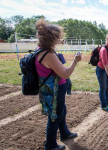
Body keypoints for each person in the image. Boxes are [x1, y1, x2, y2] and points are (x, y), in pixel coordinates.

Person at [35, 18, 82, 150]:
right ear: (51, 38)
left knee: (61, 111)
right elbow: (65, 73)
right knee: (55, 116)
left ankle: (65, 133)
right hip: (55, 89)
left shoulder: (40, 49)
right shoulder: (48, 54)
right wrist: (76, 60)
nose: (58, 40)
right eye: (57, 37)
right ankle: (50, 145)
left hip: (51, 88)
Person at [96, 33, 108, 111]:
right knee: (103, 87)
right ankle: (103, 105)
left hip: (107, 68)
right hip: (101, 69)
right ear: (106, 40)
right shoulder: (104, 49)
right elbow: (105, 65)